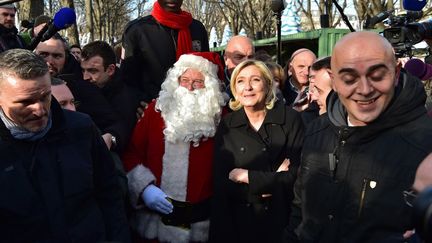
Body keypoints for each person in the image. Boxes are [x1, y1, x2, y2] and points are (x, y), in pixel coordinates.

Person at [284, 31, 432, 242]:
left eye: (377, 75)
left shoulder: (425, 145)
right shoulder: (317, 131)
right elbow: (301, 210)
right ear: (334, 81)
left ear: (397, 72)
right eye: (349, 78)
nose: (364, 89)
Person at [0, 49, 130, 242]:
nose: (39, 110)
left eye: (45, 96)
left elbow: (110, 195)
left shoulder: (82, 128)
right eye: (25, 102)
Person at [122, 52, 225, 242]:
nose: (189, 87)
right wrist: (145, 189)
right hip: (155, 223)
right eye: (184, 80)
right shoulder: (155, 111)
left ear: (209, 86)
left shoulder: (220, 116)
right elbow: (131, 154)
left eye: (198, 82)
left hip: (202, 225)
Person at [210, 60, 304, 243]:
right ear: (234, 89)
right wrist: (268, 183)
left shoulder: (290, 119)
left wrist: (247, 177)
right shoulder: (228, 124)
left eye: (255, 80)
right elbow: (221, 182)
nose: (248, 87)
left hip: (281, 223)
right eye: (241, 81)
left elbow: (295, 177)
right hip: (239, 225)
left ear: (268, 84)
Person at [35, 34, 124, 151]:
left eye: (57, 56)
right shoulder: (14, 87)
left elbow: (115, 124)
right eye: (43, 55)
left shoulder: (84, 88)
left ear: (65, 58)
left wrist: (111, 137)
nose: (49, 62)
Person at [121, 0, 209, 106]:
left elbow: (207, 72)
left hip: (193, 108)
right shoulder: (138, 30)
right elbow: (127, 80)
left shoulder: (197, 29)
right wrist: (137, 103)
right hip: (153, 110)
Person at [81, 40, 139, 154]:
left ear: (110, 69)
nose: (85, 77)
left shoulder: (126, 98)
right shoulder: (80, 86)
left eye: (92, 71)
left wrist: (112, 138)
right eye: (83, 70)